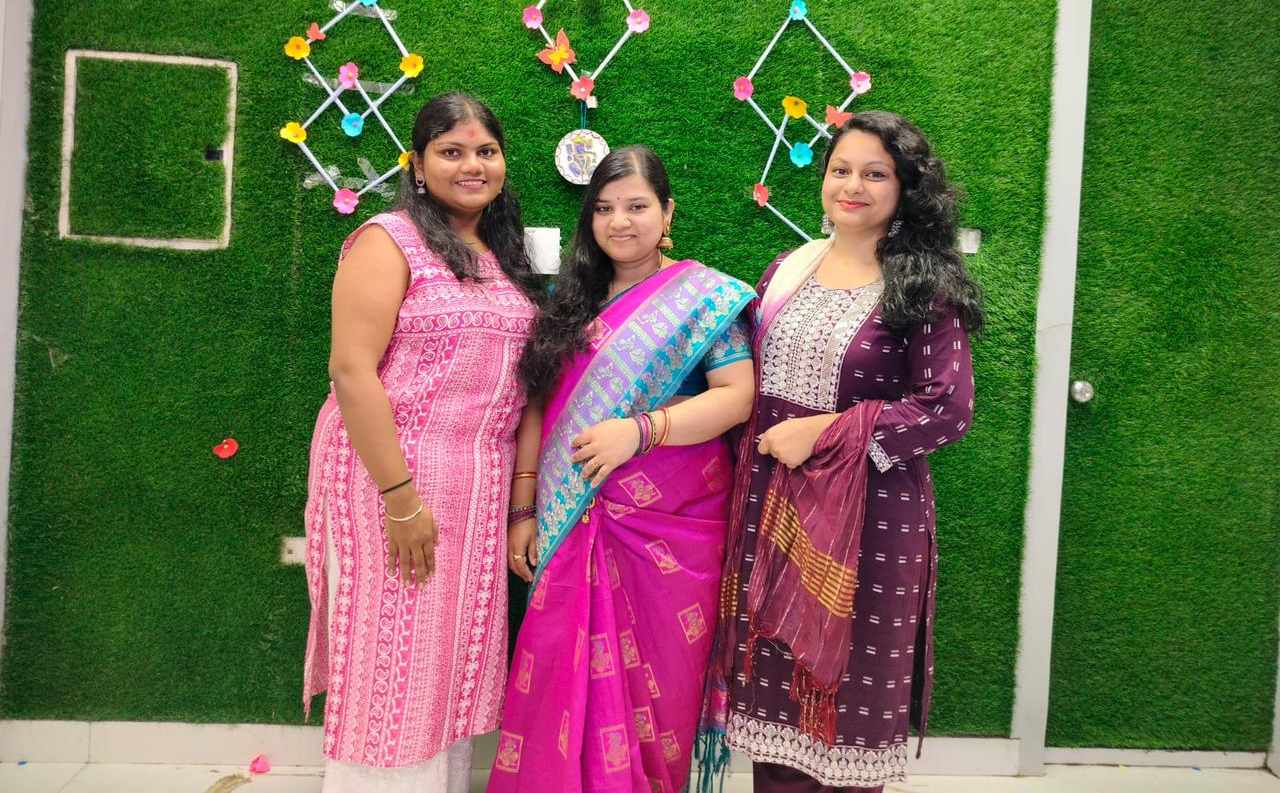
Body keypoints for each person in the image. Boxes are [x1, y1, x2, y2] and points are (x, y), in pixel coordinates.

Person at [703, 111, 983, 792]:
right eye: (841, 170)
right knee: (773, 705)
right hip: (773, 518)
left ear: (906, 187)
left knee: (845, 712)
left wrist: (825, 432)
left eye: (875, 173)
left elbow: (946, 409)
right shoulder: (787, 269)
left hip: (870, 528)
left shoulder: (922, 287)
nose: (853, 186)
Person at [486, 146, 756, 793]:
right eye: (604, 209)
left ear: (668, 213)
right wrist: (523, 509)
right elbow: (536, 407)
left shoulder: (703, 298)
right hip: (572, 516)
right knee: (556, 674)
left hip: (670, 528)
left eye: (637, 206)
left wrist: (640, 431)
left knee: (659, 691)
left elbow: (737, 396)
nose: (620, 222)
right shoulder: (567, 301)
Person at [302, 93, 543, 793]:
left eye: (486, 151)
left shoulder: (503, 252)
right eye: (452, 151)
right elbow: (351, 370)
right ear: (417, 163)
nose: (473, 165)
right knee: (391, 667)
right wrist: (401, 499)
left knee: (444, 668)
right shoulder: (388, 238)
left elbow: (529, 381)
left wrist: (518, 506)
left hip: (476, 486)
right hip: (391, 478)